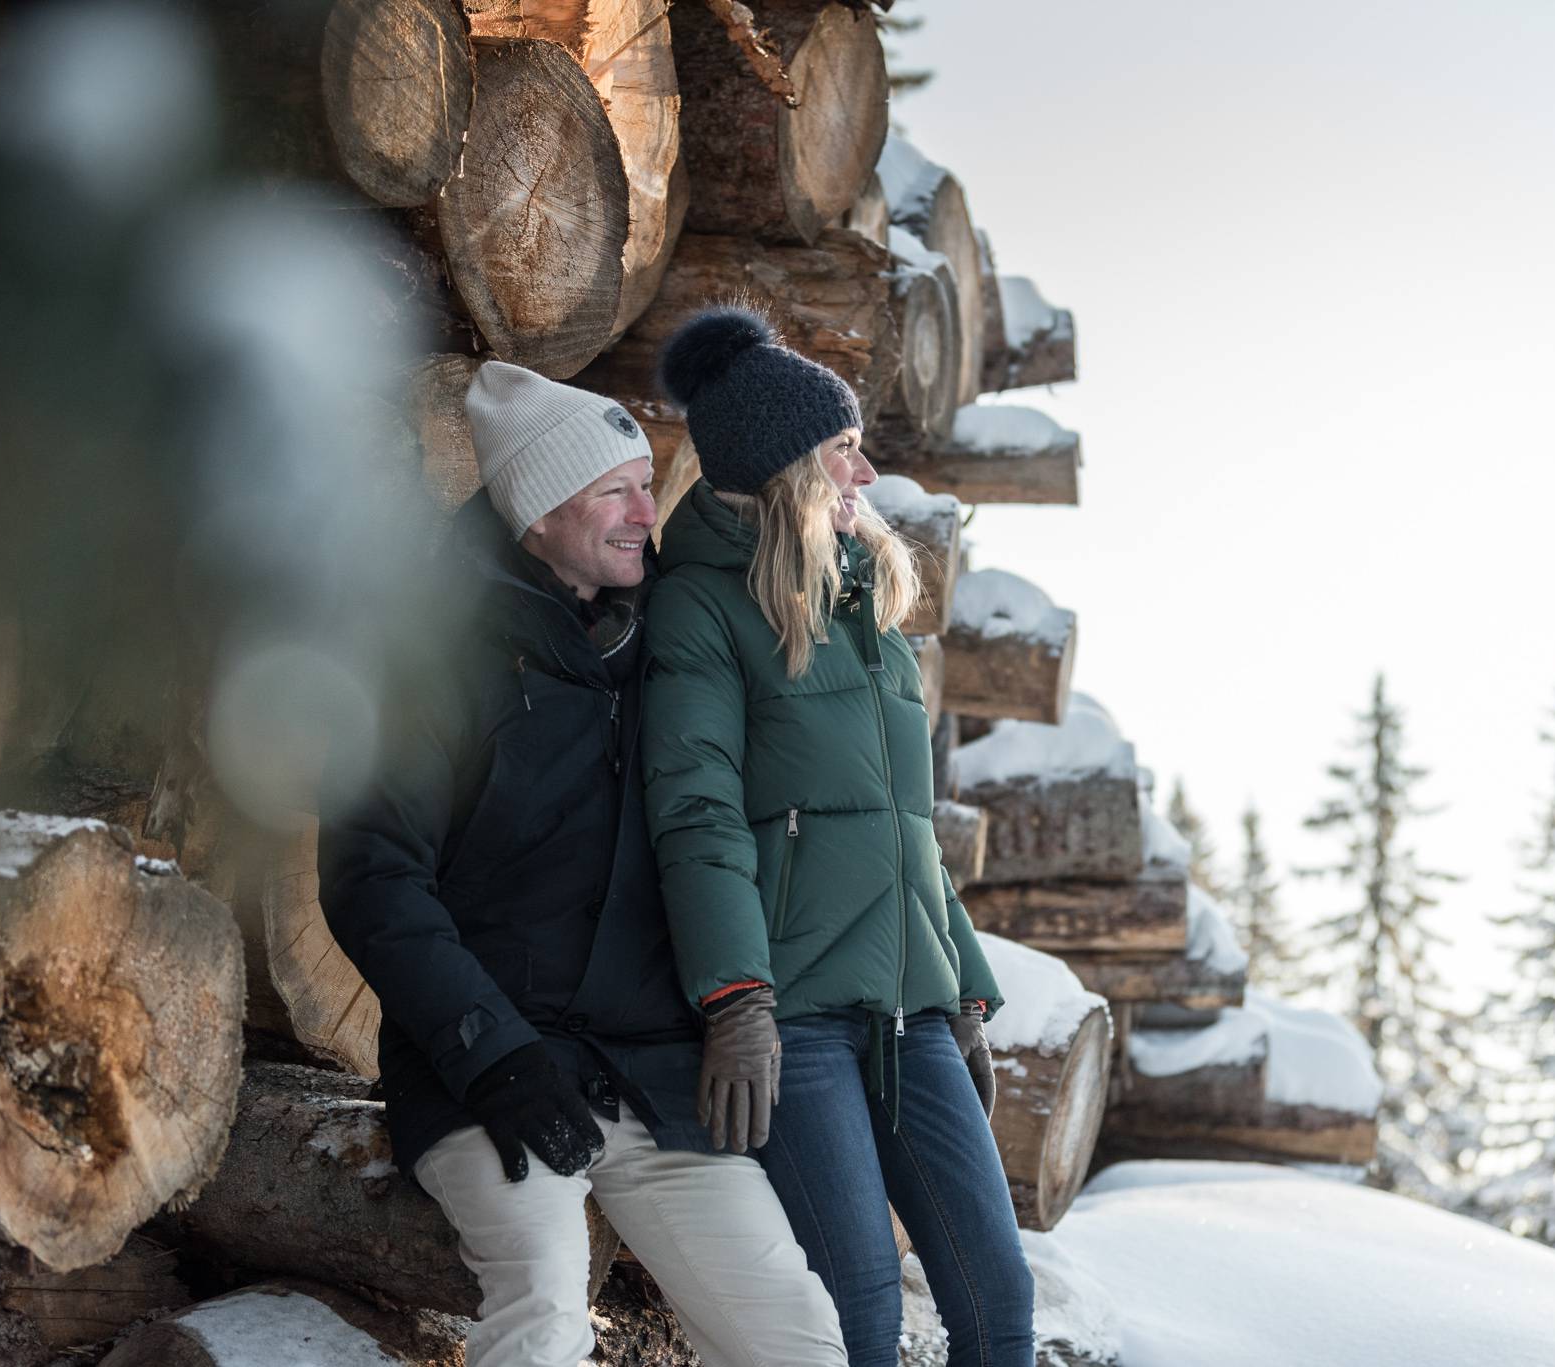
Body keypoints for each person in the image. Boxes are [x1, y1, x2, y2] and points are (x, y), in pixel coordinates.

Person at [318, 360, 847, 1367]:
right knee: (546, 1308)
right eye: (614, 490)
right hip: (490, 1069)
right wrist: (493, 1054)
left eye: (647, 485)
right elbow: (371, 875)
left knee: (794, 1331)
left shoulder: (659, 640)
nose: (646, 512)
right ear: (535, 512)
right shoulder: (425, 656)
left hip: (651, 1073)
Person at [641, 309, 1038, 1367]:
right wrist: (736, 1000)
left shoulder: (866, 610)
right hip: (795, 1022)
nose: (864, 468)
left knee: (997, 1305)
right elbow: (695, 813)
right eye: (838, 448)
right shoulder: (698, 610)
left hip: (910, 1014)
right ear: (780, 470)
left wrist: (960, 986)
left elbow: (908, 832)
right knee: (855, 1314)